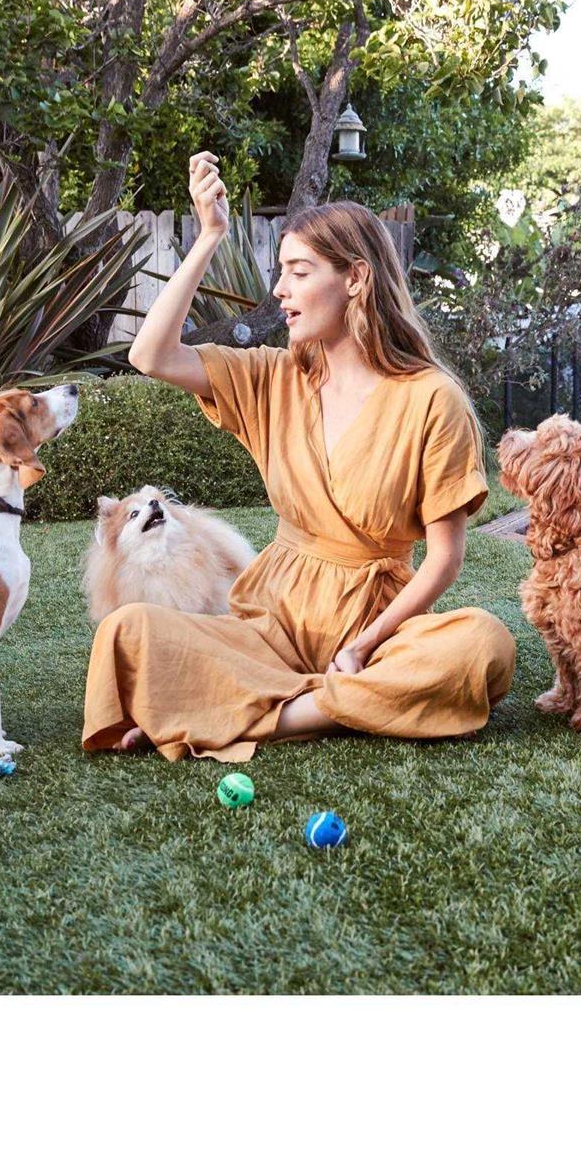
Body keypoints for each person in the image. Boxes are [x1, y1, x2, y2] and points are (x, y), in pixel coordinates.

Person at [80, 151, 517, 763]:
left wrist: (363, 646)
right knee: (126, 631)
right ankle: (336, 706)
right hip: (270, 628)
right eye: (280, 271)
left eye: (299, 272)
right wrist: (209, 235)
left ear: (356, 278)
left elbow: (444, 560)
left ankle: (261, 716)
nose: (280, 290)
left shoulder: (431, 399)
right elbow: (150, 355)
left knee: (483, 645)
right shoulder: (274, 378)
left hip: (375, 631)